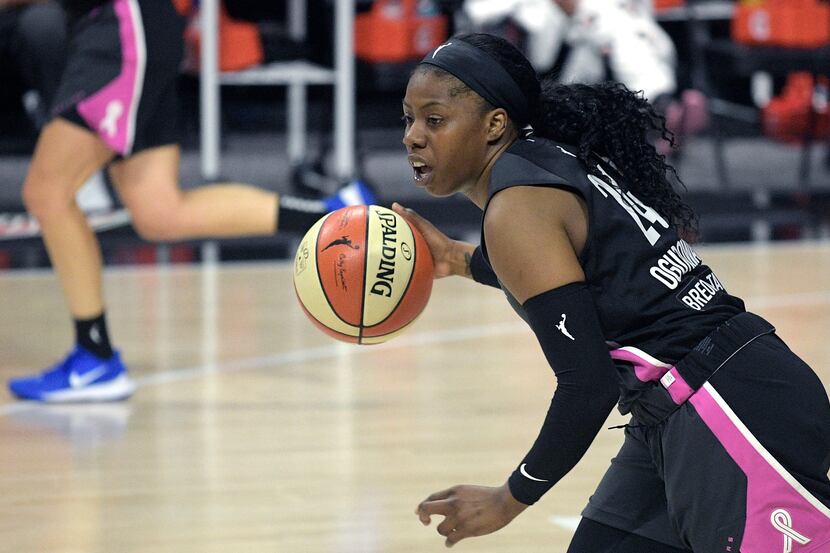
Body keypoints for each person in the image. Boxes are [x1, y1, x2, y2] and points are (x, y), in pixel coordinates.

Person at [393, 33, 830, 552]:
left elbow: (587, 385)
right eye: (409, 119)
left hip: (728, 412)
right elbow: (581, 273)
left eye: (434, 120)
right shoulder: (545, 165)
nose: (413, 137)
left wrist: (510, 497)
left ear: (494, 125)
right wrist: (459, 260)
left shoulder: (519, 206)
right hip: (685, 405)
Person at [7, 0, 373, 403]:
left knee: (47, 192)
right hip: (136, 26)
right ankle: (333, 213)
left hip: (123, 28)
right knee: (159, 211)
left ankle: (94, 356)